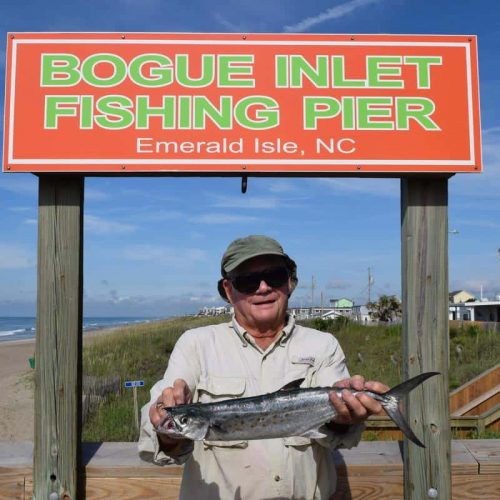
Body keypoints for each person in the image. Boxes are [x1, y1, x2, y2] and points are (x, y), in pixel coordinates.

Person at [138, 235, 389, 499]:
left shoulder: (323, 346)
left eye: (275, 276)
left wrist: (343, 417)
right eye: (247, 281)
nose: (263, 288)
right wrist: (165, 429)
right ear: (228, 289)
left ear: (290, 282)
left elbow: (337, 437)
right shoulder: (196, 344)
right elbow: (156, 415)